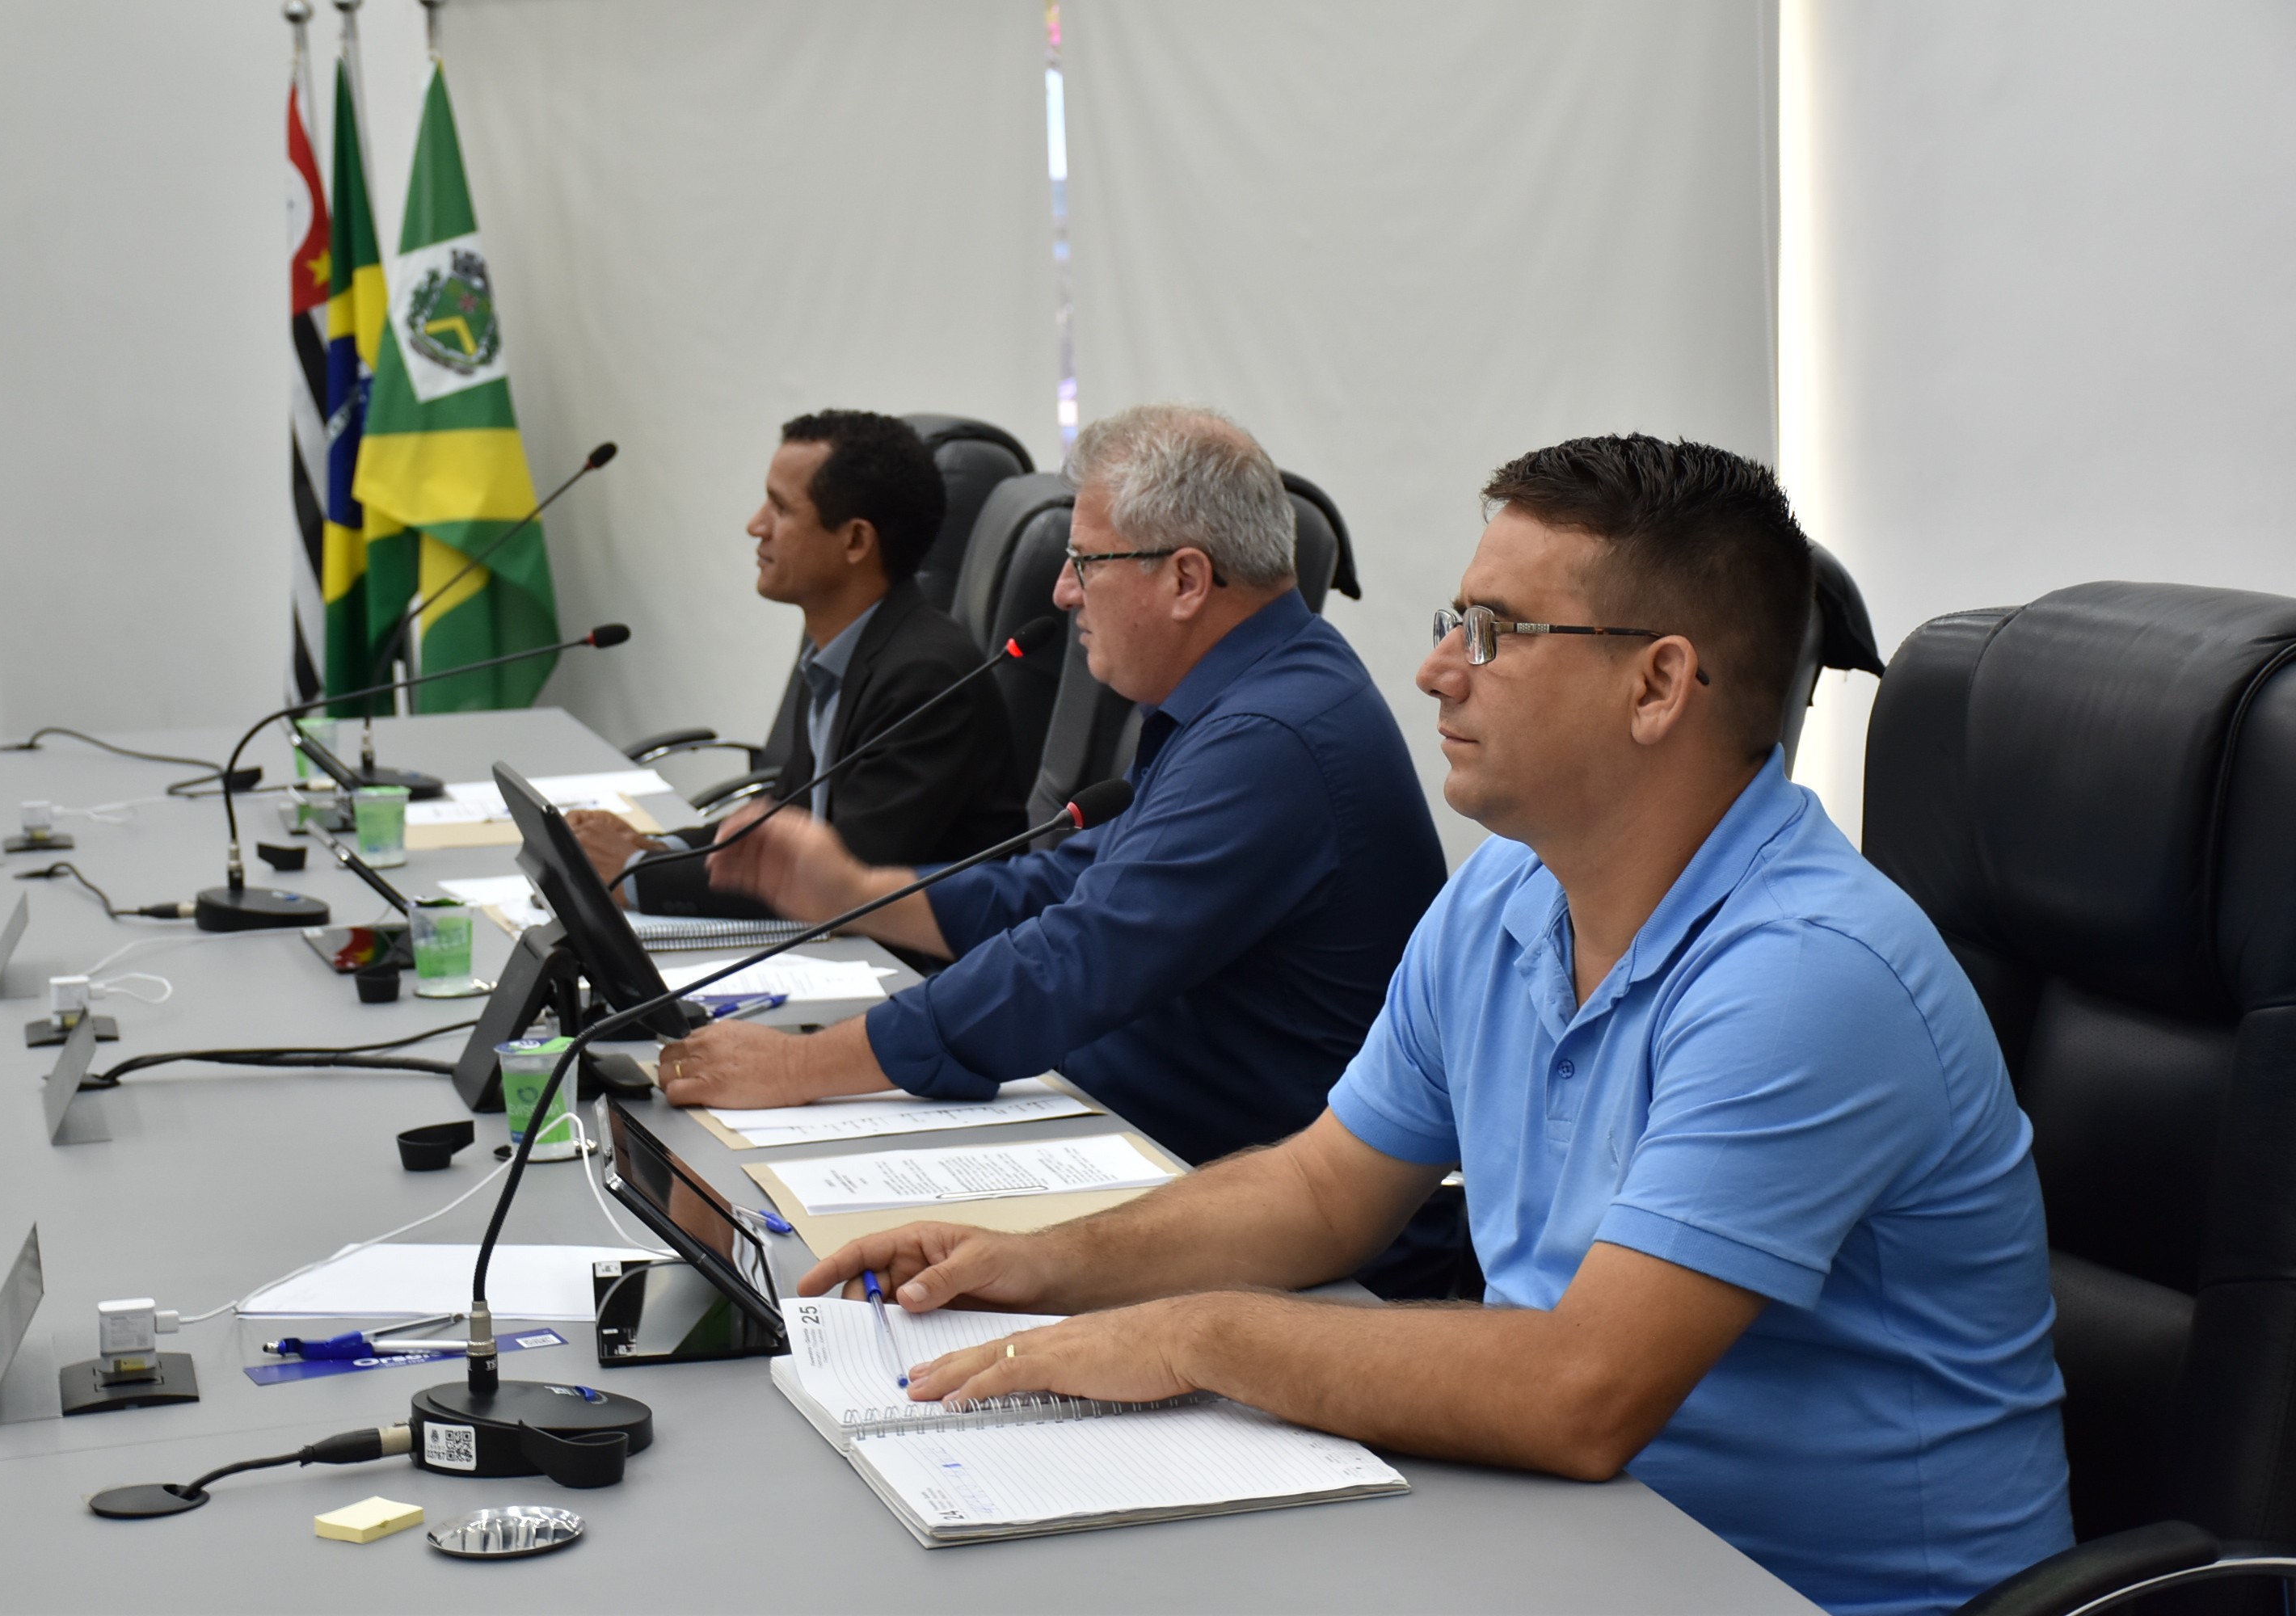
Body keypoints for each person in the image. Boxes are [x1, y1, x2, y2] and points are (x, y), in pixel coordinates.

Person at [797, 436, 2074, 1616]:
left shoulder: (1806, 977)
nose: (1435, 667)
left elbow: (1583, 1394)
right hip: (1563, 1540)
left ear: (1659, 684)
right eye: (1452, 622)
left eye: (1496, 631)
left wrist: (1194, 1335)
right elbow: (1321, 1191)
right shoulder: (1510, 894)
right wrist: (1036, 1260)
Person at [664, 404, 1456, 1288]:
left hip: (1266, 1229)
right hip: (1140, 1149)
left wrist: (807, 1064)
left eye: (1085, 562)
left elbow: (1074, 958)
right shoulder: (1249, 697)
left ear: (1186, 579)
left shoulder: (1276, 734)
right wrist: (855, 888)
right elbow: (1064, 883)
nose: (1062, 591)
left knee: (828, 1271)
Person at [570, 410, 1023, 912]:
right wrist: (653, 849)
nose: (755, 525)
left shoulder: (927, 678)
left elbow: (836, 877)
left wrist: (632, 879)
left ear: (854, 541)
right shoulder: (837, 648)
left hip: (917, 969)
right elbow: (787, 820)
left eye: (781, 509)